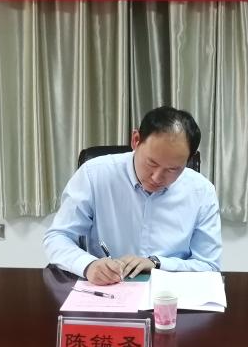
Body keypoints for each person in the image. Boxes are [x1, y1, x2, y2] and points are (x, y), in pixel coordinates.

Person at [44, 106, 221, 285]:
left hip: (170, 292)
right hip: (107, 289)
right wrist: (88, 265)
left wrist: (157, 263)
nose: (157, 177)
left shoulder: (202, 191)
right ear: (136, 140)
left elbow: (209, 265)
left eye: (173, 169)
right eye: (152, 163)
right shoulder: (94, 175)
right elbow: (58, 237)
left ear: (189, 159)